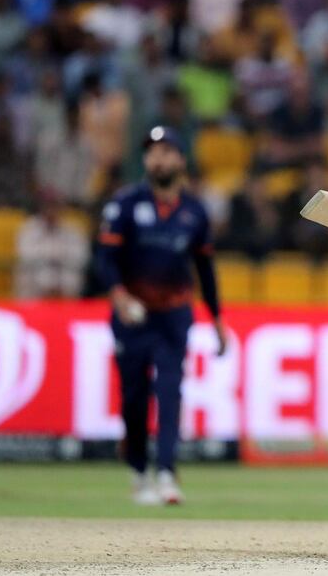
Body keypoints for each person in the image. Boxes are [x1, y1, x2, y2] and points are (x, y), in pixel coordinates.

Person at [96, 126, 226, 506]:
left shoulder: (193, 211)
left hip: (174, 313)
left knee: (170, 391)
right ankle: (139, 470)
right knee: (134, 397)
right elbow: (105, 258)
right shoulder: (124, 204)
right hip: (132, 315)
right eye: (152, 152)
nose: (159, 158)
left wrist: (217, 319)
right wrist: (118, 296)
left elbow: (205, 269)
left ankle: (167, 472)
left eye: (167, 151)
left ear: (180, 160)